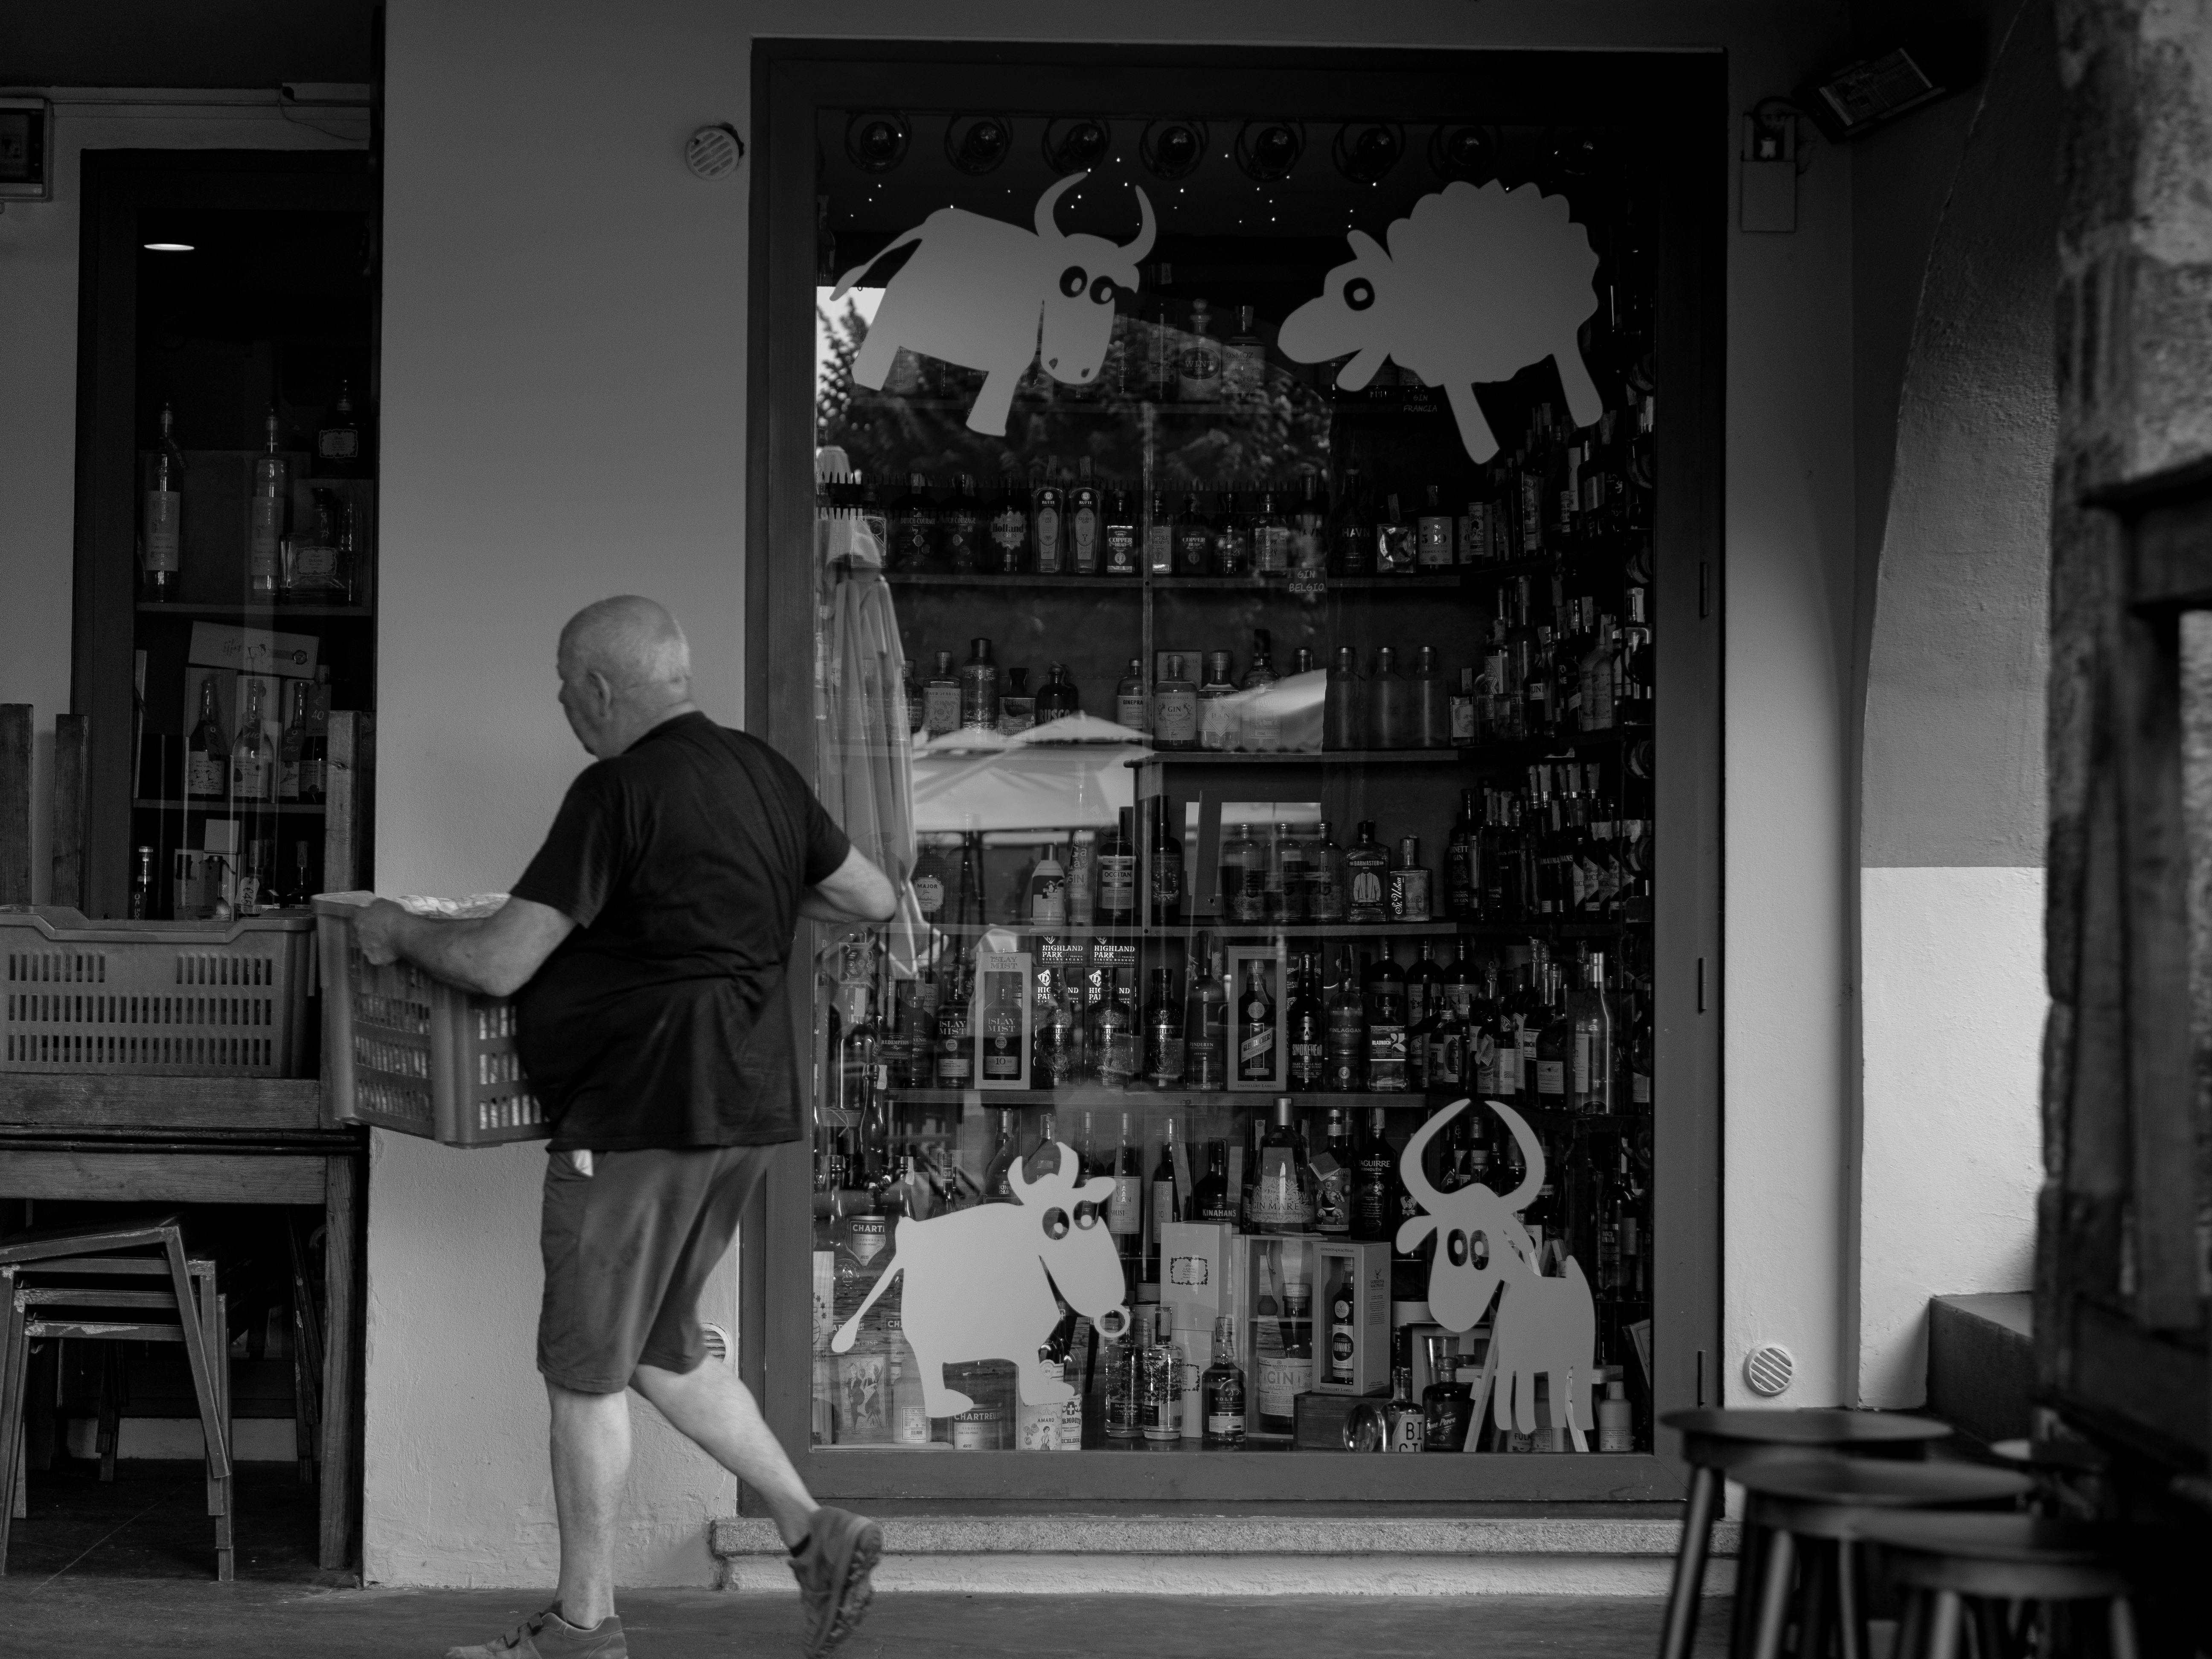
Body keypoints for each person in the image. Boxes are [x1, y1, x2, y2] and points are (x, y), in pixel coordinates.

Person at [355, 596, 897, 1659]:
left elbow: (501, 960)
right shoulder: (764, 774)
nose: (564, 709)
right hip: (741, 1109)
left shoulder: (616, 790)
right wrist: (757, 924)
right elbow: (872, 898)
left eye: (566, 689)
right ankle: (814, 1534)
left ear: (602, 689)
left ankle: (584, 1622)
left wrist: (397, 930)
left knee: (584, 1369)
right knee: (661, 1348)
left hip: (638, 1115)